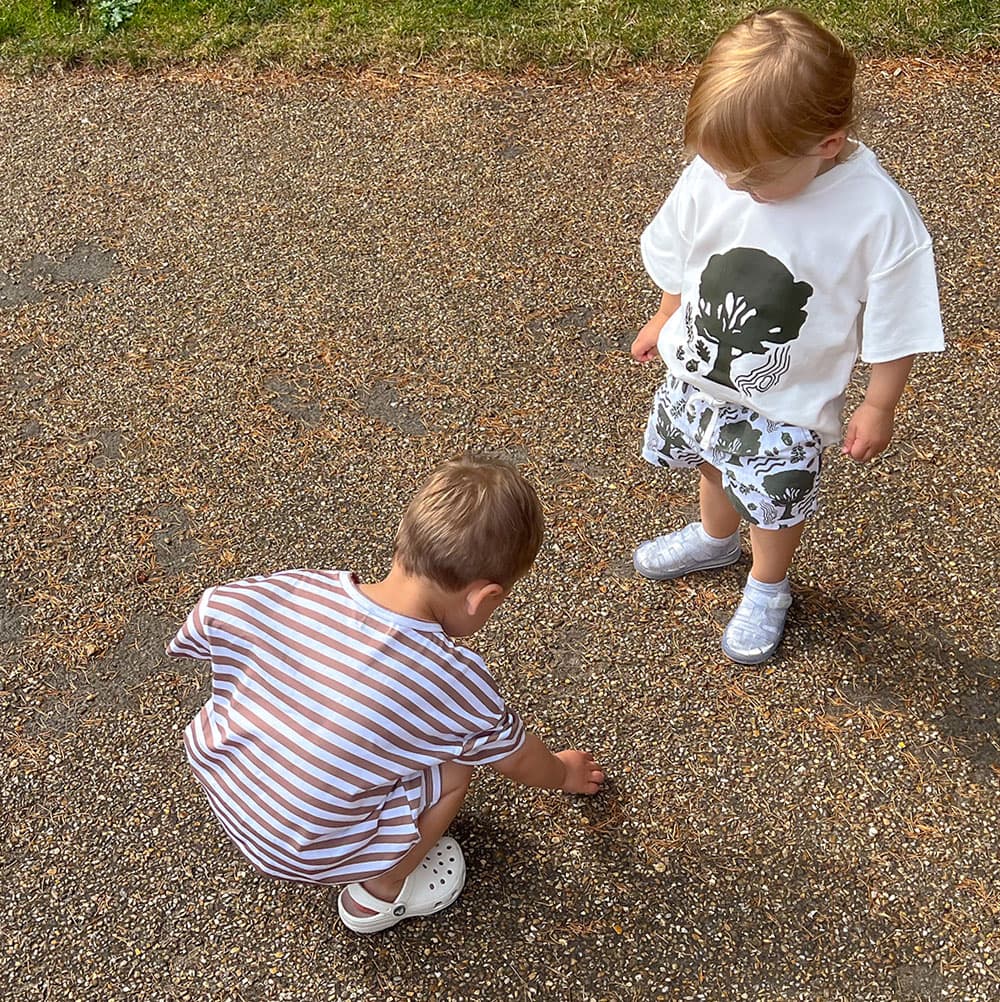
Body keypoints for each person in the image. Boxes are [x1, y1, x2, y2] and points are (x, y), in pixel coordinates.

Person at [167, 456, 604, 934]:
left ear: (403, 539)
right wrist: (564, 774)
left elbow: (206, 618)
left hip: (230, 785)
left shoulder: (295, 589)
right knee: (457, 764)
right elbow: (517, 758)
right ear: (484, 598)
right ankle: (381, 893)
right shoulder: (453, 681)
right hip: (304, 849)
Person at [630, 7, 944, 664]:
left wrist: (879, 402)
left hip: (789, 402)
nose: (735, 188)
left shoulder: (876, 214)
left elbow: (900, 318)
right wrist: (666, 315)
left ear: (828, 143)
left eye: (754, 177)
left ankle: (768, 583)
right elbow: (686, 251)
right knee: (711, 458)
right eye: (723, 173)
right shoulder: (722, 170)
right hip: (701, 372)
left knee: (773, 501)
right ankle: (716, 537)